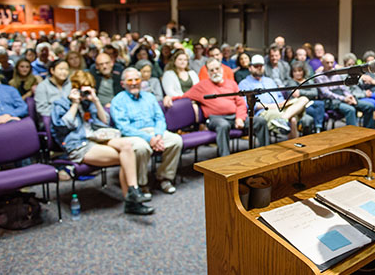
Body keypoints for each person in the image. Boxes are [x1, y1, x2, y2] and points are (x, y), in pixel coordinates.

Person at [50, 71, 153, 215]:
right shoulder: (60, 104)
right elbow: (62, 126)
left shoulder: (89, 102)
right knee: (126, 157)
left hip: (98, 139)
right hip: (79, 145)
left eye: (89, 87)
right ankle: (132, 200)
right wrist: (75, 104)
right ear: (74, 88)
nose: (85, 92)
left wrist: (96, 100)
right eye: (82, 88)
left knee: (127, 147)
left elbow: (104, 121)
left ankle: (133, 192)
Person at [110, 67, 183, 195]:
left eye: (137, 79)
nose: (134, 83)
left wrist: (158, 135)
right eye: (130, 80)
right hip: (133, 134)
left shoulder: (149, 97)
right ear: (123, 84)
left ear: (141, 81)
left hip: (154, 132)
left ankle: (164, 178)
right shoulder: (118, 101)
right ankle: (141, 184)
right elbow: (124, 127)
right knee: (141, 148)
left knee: (176, 140)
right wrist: (149, 139)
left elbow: (159, 118)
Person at [182, 58, 269, 156]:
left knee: (260, 121)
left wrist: (240, 118)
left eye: (217, 68)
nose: (215, 72)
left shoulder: (231, 83)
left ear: (222, 69)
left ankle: (265, 154)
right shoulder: (201, 86)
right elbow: (183, 96)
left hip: (234, 117)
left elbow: (240, 103)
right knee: (223, 125)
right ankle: (225, 159)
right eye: (212, 70)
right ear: (208, 72)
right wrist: (168, 98)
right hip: (215, 119)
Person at [238, 54, 309, 138]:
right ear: (250, 68)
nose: (259, 68)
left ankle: (283, 119)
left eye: (261, 66)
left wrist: (284, 102)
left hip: (280, 107)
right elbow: (246, 104)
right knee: (292, 119)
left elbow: (279, 97)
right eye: (256, 66)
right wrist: (272, 106)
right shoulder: (244, 83)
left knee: (304, 99)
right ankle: (286, 123)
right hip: (264, 112)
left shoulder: (270, 81)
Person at [315, 53, 375, 129]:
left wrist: (350, 96)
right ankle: (354, 136)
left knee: (369, 107)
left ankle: (368, 132)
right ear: (322, 63)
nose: (330, 65)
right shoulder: (319, 76)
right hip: (331, 101)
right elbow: (326, 93)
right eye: (327, 63)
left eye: (332, 62)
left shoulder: (336, 74)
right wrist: (344, 99)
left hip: (343, 97)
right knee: (350, 109)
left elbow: (343, 88)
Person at [290, 61, 324, 134]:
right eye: (295, 71)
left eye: (299, 71)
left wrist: (301, 92)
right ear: (292, 72)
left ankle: (318, 128)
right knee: (317, 112)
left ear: (303, 71)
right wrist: (308, 94)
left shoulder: (308, 81)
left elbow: (315, 93)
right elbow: (294, 95)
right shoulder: (291, 83)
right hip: (299, 105)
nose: (297, 73)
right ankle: (318, 128)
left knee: (321, 103)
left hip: (311, 103)